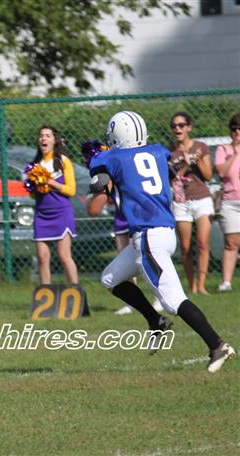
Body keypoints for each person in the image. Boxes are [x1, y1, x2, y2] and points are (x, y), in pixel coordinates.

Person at [87, 110, 235, 373]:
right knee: (110, 278)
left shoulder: (110, 158)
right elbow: (162, 176)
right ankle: (155, 321)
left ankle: (217, 345)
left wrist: (100, 186)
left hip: (148, 236)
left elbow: (94, 207)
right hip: (165, 231)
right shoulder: (157, 152)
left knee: (172, 300)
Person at [80, 140, 163, 316]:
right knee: (124, 259)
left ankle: (159, 297)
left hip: (136, 215)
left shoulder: (120, 161)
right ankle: (133, 302)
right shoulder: (104, 169)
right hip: (120, 215)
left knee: (145, 260)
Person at [169, 112, 214, 294]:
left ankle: (202, 285)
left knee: (203, 242)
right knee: (186, 247)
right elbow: (172, 181)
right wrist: (186, 165)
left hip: (202, 198)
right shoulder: (169, 152)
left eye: (181, 125)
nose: (177, 128)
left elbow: (208, 175)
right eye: (174, 126)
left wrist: (197, 160)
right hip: (181, 202)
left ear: (189, 127)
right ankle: (192, 286)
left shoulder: (200, 147)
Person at [31, 126, 78, 285]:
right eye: (41, 136)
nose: (43, 138)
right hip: (42, 214)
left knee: (64, 256)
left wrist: (52, 183)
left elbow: (71, 190)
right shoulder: (35, 165)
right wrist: (34, 187)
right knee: (42, 257)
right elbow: (33, 195)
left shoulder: (63, 161)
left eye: (47, 136)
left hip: (61, 213)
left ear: (54, 140)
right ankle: (46, 294)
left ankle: (75, 292)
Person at [214, 113, 240, 292]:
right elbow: (222, 172)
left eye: (239, 128)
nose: (237, 132)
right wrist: (235, 153)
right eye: (233, 129)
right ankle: (226, 282)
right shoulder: (223, 149)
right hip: (231, 202)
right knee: (231, 242)